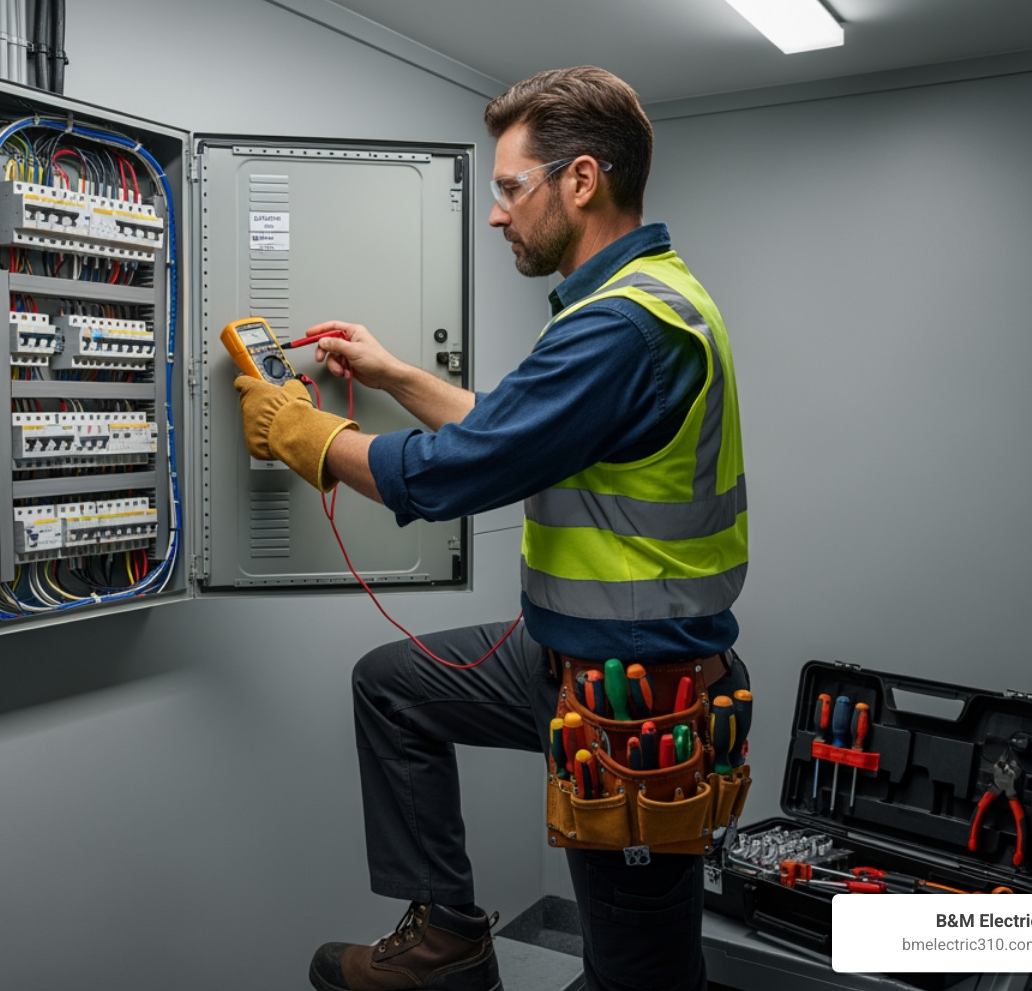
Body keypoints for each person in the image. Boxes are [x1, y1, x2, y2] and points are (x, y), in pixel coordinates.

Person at [235, 66, 750, 991]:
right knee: (392, 688)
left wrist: (303, 435)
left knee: (640, 979)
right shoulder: (635, 298)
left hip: (638, 706)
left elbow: (458, 472)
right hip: (564, 662)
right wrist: (393, 375)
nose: (497, 213)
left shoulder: (623, 328)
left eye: (512, 188)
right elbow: (516, 432)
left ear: (581, 180)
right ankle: (450, 935)